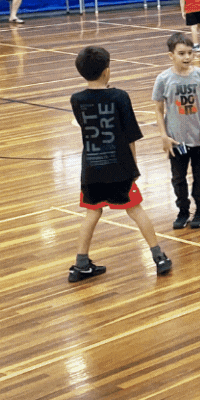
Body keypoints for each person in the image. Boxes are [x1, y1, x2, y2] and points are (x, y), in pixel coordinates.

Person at [68, 45, 172, 282]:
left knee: (92, 212)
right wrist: (133, 168)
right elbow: (130, 136)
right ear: (107, 72)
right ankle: (159, 258)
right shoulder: (120, 96)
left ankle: (81, 264)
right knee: (135, 210)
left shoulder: (76, 100)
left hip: (91, 169)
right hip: (119, 167)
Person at [152, 32, 200, 230]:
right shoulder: (163, 79)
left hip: (197, 138)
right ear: (171, 56)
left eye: (190, 52)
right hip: (176, 140)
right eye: (181, 53)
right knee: (178, 178)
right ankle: (183, 211)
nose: (187, 57)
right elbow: (159, 109)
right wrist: (163, 136)